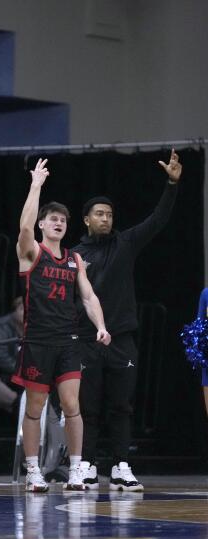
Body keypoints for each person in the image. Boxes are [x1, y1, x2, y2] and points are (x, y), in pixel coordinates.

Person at [72, 149, 181, 492]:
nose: (106, 219)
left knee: (121, 405)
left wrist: (172, 184)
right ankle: (86, 464)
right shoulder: (75, 254)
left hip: (121, 339)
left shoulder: (125, 243)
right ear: (87, 219)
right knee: (87, 407)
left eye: (109, 214)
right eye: (99, 214)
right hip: (87, 340)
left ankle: (120, 465)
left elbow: (158, 219)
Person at [13, 158, 110, 494]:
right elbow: (24, 228)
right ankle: (33, 470)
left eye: (63, 220)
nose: (58, 223)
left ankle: (76, 470)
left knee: (72, 406)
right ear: (42, 225)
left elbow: (88, 296)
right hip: (37, 340)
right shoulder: (31, 253)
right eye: (52, 219)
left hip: (68, 341)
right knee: (36, 407)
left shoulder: (75, 259)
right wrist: (36, 185)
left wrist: (100, 325)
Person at [0, 297, 25, 380]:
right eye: (22, 309)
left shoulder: (32, 328)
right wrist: (21, 370)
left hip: (20, 372)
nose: (26, 313)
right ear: (14, 311)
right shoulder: (2, 326)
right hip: (1, 373)